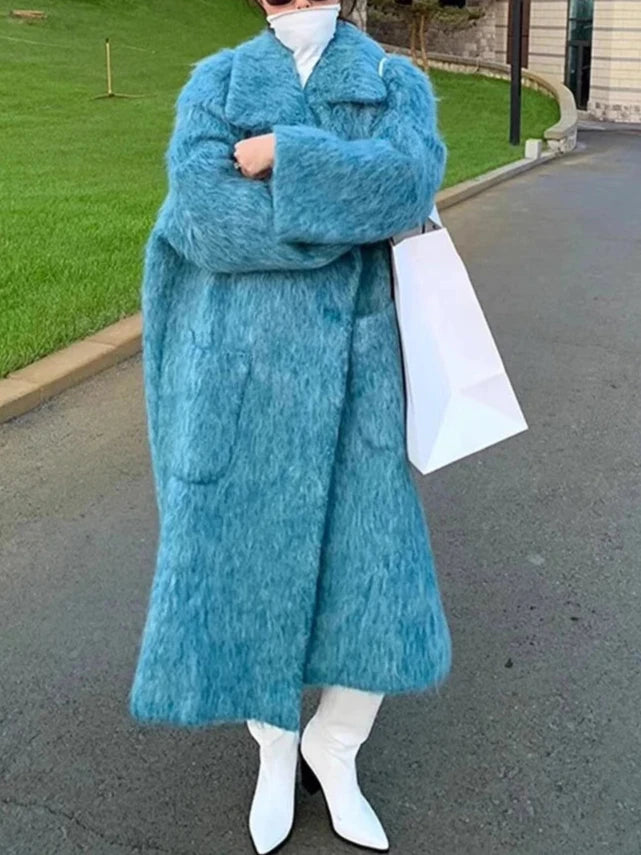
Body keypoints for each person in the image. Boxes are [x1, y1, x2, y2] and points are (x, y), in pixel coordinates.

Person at [128, 2, 452, 852]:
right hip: (243, 381)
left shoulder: (390, 79)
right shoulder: (219, 81)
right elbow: (205, 216)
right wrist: (344, 218)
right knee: (248, 575)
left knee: (379, 585)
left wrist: (288, 156)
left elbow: (409, 183)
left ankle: (332, 746)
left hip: (357, 381)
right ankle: (273, 749)